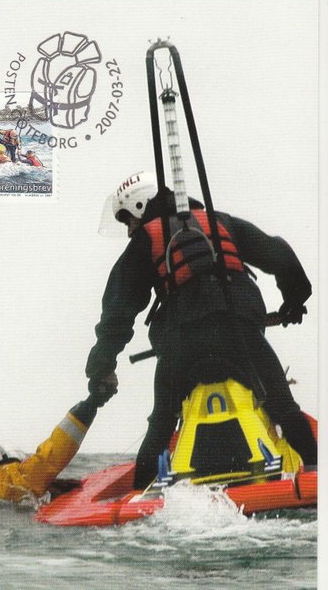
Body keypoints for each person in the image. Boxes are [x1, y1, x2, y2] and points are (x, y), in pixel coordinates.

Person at [86, 171, 317, 490]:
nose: (128, 230)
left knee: (161, 424)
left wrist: (100, 368)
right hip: (242, 335)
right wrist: (294, 301)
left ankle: (141, 494)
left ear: (141, 205)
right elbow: (279, 255)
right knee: (284, 408)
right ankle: (316, 475)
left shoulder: (145, 241)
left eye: (128, 220)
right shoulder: (221, 221)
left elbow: (117, 312)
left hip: (182, 344)